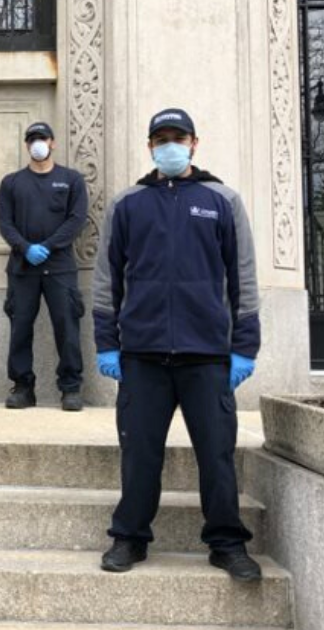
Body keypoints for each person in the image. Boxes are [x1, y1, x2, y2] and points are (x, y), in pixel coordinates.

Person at [92, 108, 261, 581]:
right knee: (140, 454)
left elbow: (243, 278)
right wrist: (107, 342)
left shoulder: (222, 199)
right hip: (143, 356)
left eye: (178, 137)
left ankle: (227, 543)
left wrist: (244, 345)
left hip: (206, 356)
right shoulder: (128, 204)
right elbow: (107, 281)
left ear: (194, 143)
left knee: (216, 456)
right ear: (150, 147)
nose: (170, 145)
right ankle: (129, 537)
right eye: (161, 138)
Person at [0, 121, 89, 411]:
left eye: (43, 138)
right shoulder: (11, 183)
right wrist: (25, 248)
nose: (38, 143)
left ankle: (71, 388)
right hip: (23, 269)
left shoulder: (71, 179)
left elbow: (76, 220)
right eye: (32, 139)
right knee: (20, 328)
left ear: (53, 143)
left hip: (60, 268)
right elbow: (5, 224)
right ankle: (23, 388)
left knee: (67, 327)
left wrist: (48, 247)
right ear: (27, 145)